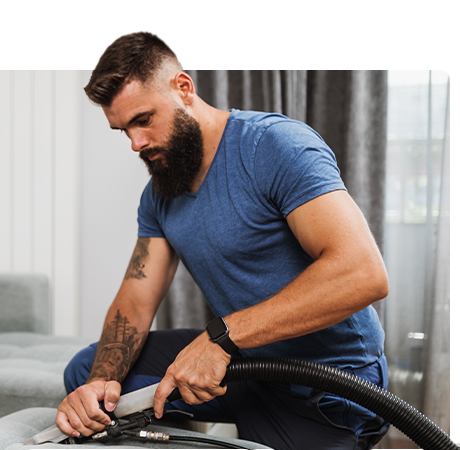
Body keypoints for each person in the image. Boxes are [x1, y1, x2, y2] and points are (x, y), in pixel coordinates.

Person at [56, 31, 390, 450]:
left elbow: (363, 274)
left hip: (326, 385)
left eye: (143, 119)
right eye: (123, 129)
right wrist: (100, 383)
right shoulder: (160, 193)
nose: (136, 143)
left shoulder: (274, 146)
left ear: (183, 88)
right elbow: (136, 302)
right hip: (242, 366)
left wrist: (222, 338)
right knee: (88, 374)